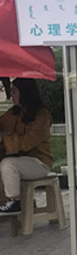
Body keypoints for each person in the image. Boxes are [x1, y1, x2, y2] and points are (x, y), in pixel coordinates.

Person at [0, 78, 53, 214]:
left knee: (8, 164)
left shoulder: (42, 116)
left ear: (25, 93)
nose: (11, 94)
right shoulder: (13, 112)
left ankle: (14, 201)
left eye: (14, 91)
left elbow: (27, 142)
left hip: (38, 162)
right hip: (18, 159)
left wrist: (4, 139)